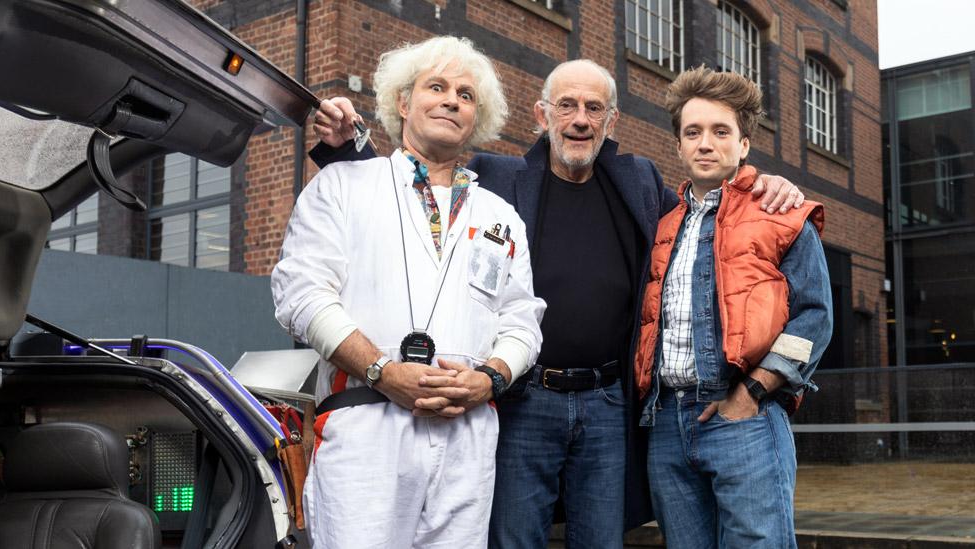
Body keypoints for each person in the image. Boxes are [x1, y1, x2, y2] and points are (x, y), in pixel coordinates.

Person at [309, 58, 803, 548]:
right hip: (525, 397)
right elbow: (411, 187)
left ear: (611, 123)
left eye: (594, 108)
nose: (580, 119)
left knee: (601, 540)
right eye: (566, 105)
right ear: (543, 116)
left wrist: (762, 184)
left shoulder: (640, 181)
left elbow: (713, 218)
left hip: (608, 402)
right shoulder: (496, 179)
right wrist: (346, 149)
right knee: (514, 537)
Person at [271, 35, 545, 549]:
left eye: (466, 95)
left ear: (477, 117)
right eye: (436, 87)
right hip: (367, 419)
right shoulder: (343, 186)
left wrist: (490, 377)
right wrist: (382, 370)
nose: (451, 100)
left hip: (467, 432)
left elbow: (522, 321)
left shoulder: (500, 217)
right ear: (402, 102)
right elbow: (301, 295)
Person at [634, 66, 833, 548]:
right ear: (679, 145)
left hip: (744, 417)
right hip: (666, 425)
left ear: (744, 144)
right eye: (693, 132)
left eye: (721, 131)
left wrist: (752, 392)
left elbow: (815, 317)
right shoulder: (661, 226)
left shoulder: (782, 213)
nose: (706, 143)